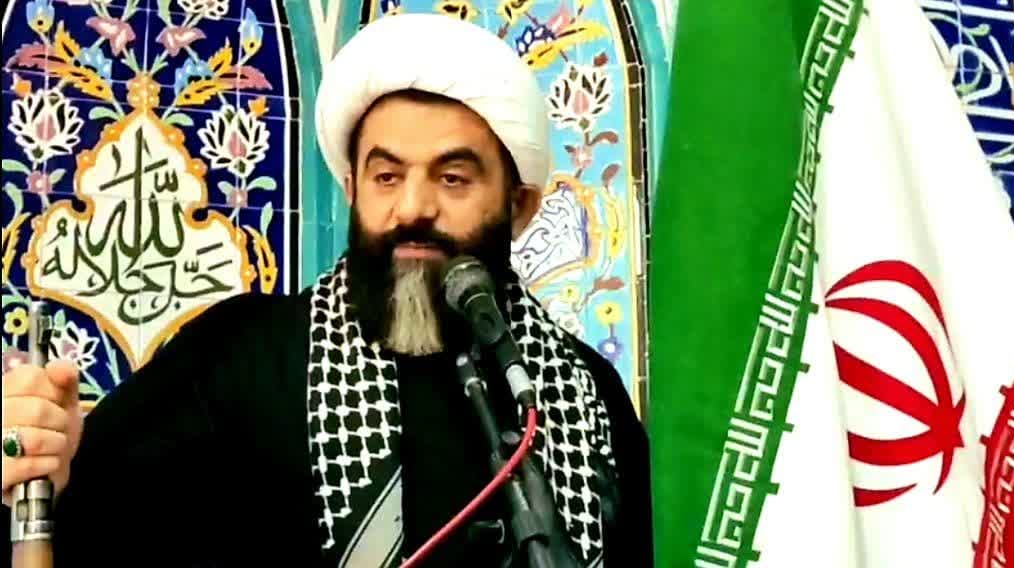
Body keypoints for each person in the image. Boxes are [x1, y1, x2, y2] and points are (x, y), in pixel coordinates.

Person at [1, 13, 652, 567]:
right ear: (351, 190)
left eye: (452, 178)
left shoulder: (585, 398)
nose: (412, 208)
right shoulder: (239, 357)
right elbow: (88, 532)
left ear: (520, 206)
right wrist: (49, 471)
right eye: (386, 176)